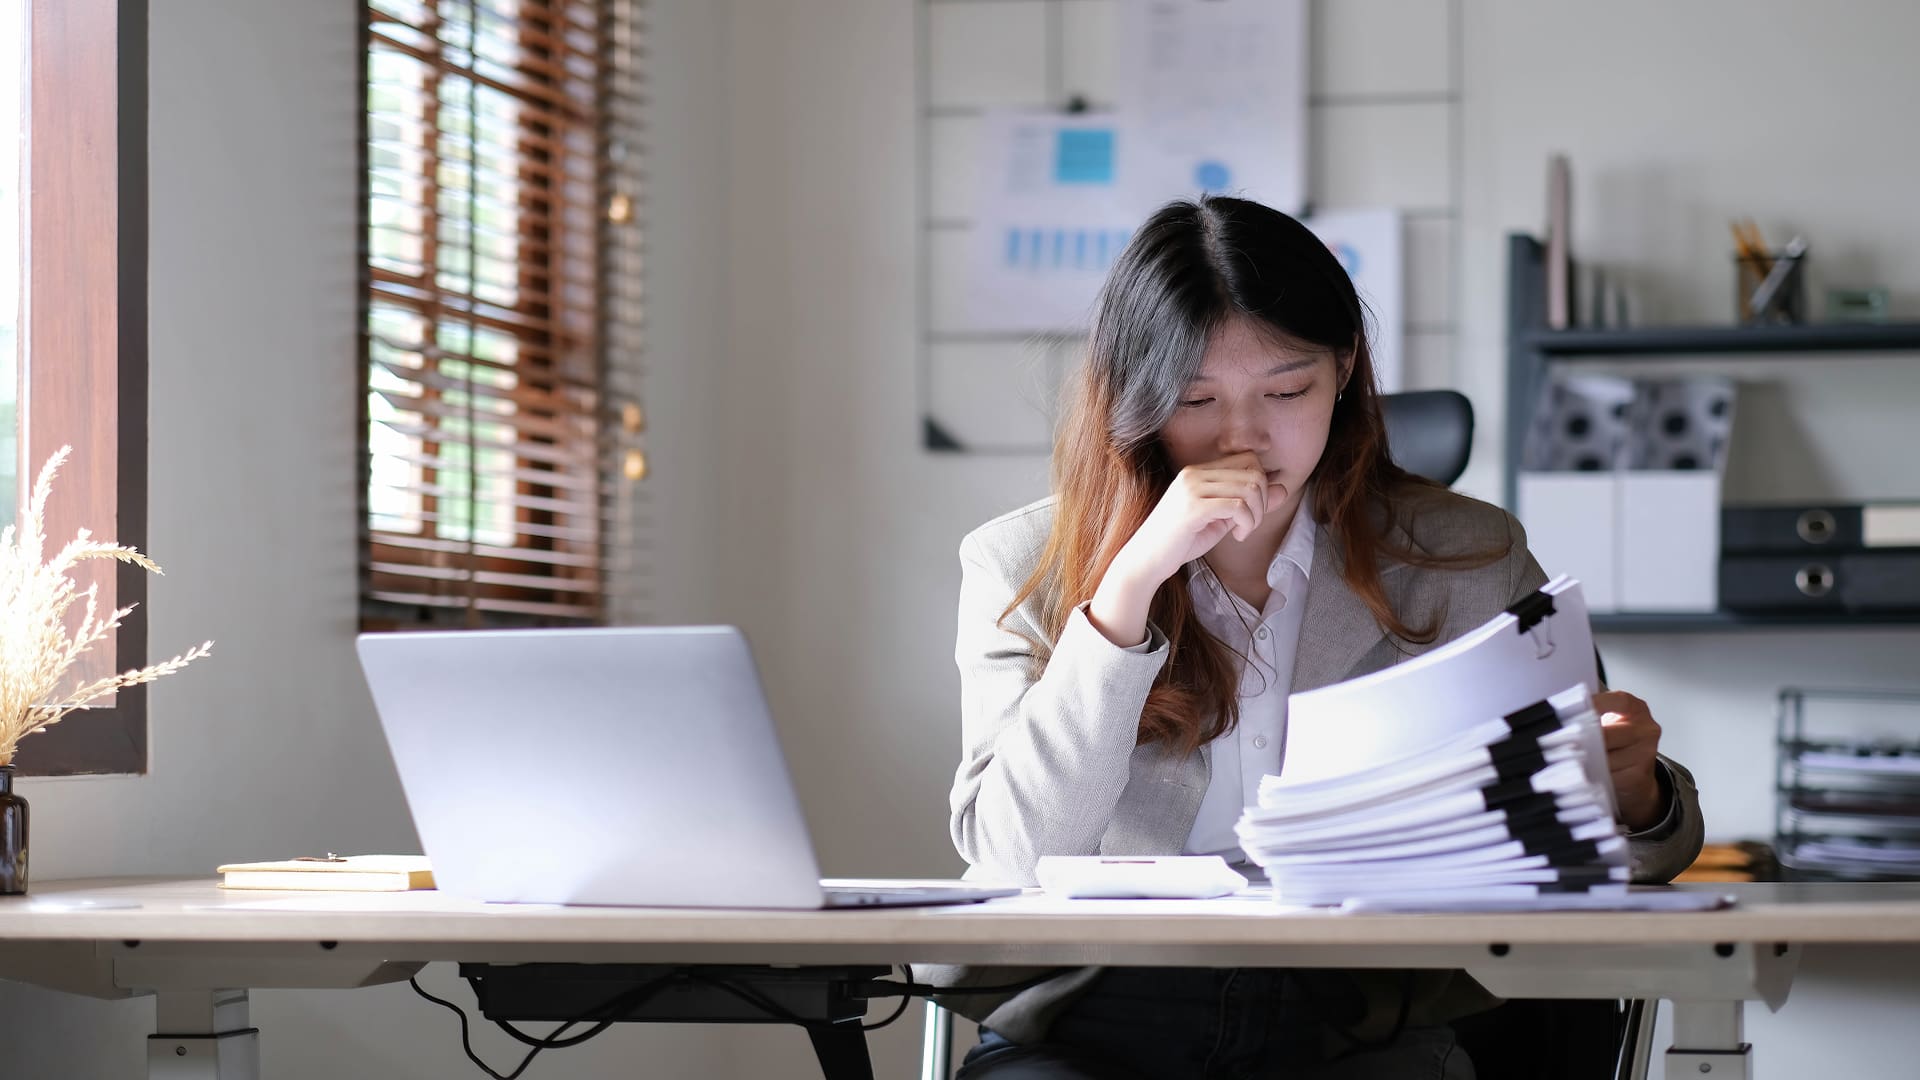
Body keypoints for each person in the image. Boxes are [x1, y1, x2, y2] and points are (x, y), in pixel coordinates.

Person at [929, 196, 1704, 1079]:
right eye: (1194, 399)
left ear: (1343, 373)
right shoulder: (1022, 564)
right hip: (1097, 1008)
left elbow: (1623, 851)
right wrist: (1128, 590)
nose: (1243, 436)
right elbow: (1010, 859)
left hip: (1364, 1013)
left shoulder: (1466, 557)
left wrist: (1635, 795)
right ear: (1135, 402)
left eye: (1287, 390)